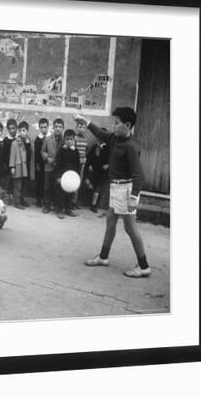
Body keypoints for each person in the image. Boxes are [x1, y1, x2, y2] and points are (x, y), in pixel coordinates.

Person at [74, 108, 150, 278]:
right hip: (115, 188)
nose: (113, 126)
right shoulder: (115, 138)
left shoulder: (131, 146)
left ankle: (144, 266)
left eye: (117, 123)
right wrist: (83, 121)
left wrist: (133, 197)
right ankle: (103, 257)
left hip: (126, 190)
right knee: (110, 221)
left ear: (128, 125)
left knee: (130, 228)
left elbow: (139, 175)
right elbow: (100, 133)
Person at [54, 129, 80, 219]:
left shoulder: (75, 151)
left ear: (74, 140)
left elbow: (77, 165)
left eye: (71, 139)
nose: (69, 141)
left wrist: (77, 177)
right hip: (62, 177)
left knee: (69, 194)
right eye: (67, 139)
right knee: (61, 194)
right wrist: (58, 176)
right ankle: (60, 210)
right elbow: (58, 164)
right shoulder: (62, 150)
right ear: (64, 140)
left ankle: (68, 209)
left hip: (71, 177)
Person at [41, 117, 64, 214]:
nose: (58, 128)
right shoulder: (47, 139)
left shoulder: (65, 140)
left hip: (59, 169)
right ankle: (46, 205)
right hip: (49, 167)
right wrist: (47, 158)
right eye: (56, 126)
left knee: (58, 188)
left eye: (60, 126)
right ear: (53, 128)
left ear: (63, 128)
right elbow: (42, 151)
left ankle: (56, 205)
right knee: (47, 187)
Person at [9, 121, 32, 209]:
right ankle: (17, 201)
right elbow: (12, 155)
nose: (23, 132)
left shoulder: (28, 141)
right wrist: (12, 167)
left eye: (24, 130)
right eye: (21, 130)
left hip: (26, 167)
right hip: (18, 166)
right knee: (17, 185)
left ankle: (22, 199)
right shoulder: (15, 143)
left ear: (27, 131)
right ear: (18, 131)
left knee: (24, 185)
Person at [85, 135, 110, 213]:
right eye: (99, 140)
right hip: (93, 171)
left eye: (102, 141)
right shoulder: (94, 147)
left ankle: (93, 204)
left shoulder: (107, 149)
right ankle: (88, 201)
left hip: (101, 172)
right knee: (89, 184)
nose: (100, 142)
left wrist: (108, 165)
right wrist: (89, 165)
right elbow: (89, 157)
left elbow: (111, 158)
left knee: (97, 188)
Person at [72, 121, 88, 209]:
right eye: (79, 127)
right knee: (72, 182)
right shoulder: (74, 138)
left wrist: (84, 161)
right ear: (77, 128)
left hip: (82, 164)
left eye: (83, 127)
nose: (81, 129)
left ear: (85, 129)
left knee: (78, 183)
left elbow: (86, 150)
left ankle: (74, 202)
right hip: (75, 164)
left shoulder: (85, 139)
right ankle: (70, 202)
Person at [33, 118, 49, 207]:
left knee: (46, 183)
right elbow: (36, 153)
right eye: (42, 127)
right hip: (40, 164)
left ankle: (45, 199)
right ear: (39, 128)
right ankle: (38, 199)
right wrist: (37, 164)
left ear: (48, 127)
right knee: (39, 182)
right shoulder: (38, 139)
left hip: (47, 164)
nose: (44, 129)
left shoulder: (50, 138)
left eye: (45, 127)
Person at [3, 119, 18, 203]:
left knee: (15, 182)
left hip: (17, 164)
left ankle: (15, 198)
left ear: (16, 128)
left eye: (13, 128)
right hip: (8, 164)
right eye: (10, 128)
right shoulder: (6, 140)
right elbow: (4, 154)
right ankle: (6, 197)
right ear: (8, 129)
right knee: (7, 182)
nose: (12, 130)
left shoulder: (19, 138)